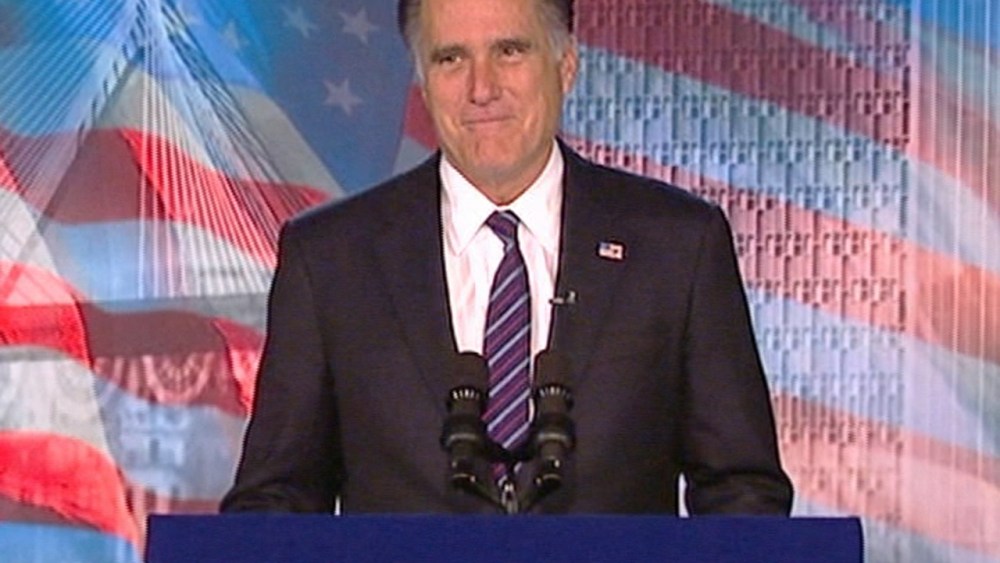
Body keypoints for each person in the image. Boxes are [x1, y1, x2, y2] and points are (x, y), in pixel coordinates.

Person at [220, 0, 793, 515]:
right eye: (451, 59)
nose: (482, 88)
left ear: (566, 66)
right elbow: (276, 500)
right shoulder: (331, 259)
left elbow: (741, 490)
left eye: (510, 51)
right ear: (423, 81)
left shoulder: (676, 245)